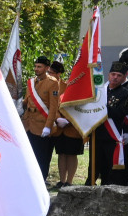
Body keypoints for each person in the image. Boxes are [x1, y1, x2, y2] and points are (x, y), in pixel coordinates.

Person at [92, 59, 128, 186]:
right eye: (113, 74)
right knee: (100, 162)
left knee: (121, 165)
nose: (115, 78)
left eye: (119, 75)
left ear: (125, 75)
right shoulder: (102, 89)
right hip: (101, 132)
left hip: (120, 133)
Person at [21, 55, 60, 181]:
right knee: (28, 155)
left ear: (46, 68)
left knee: (41, 157)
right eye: (36, 66)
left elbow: (54, 107)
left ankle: (41, 181)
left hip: (42, 124)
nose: (36, 69)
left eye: (39, 67)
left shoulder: (52, 83)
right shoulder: (31, 82)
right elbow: (27, 101)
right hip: (28, 123)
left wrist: (48, 126)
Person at [50, 60, 83, 190]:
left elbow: (77, 107)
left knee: (71, 154)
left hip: (72, 127)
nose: (49, 74)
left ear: (59, 74)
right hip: (59, 127)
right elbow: (53, 106)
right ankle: (62, 180)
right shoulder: (50, 85)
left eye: (51, 72)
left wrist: (68, 120)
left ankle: (69, 181)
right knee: (61, 154)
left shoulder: (69, 86)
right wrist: (58, 119)